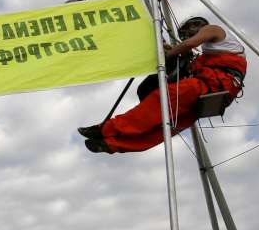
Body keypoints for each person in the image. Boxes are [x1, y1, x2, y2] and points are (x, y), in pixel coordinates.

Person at [79, 16, 246, 153]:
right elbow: (187, 58)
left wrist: (169, 54)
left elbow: (188, 44)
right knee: (167, 126)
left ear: (196, 25)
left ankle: (105, 129)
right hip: (217, 91)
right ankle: (111, 144)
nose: (187, 35)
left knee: (161, 100)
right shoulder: (211, 53)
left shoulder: (213, 29)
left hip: (212, 84)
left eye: (187, 31)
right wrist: (174, 52)